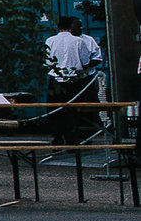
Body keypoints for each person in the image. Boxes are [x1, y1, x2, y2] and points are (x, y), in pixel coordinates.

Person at [44, 15, 103, 143]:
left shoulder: (50, 41)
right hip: (76, 80)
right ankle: (74, 139)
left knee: (57, 110)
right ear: (70, 27)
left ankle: (59, 137)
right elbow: (84, 61)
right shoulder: (78, 41)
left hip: (57, 80)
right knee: (76, 111)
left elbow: (47, 62)